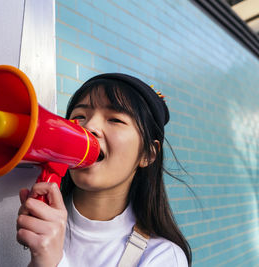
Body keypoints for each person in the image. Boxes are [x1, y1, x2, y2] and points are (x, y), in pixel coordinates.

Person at [16, 73, 192, 267]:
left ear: (148, 155)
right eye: (79, 116)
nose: (89, 126)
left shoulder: (163, 257)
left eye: (115, 119)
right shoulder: (28, 218)